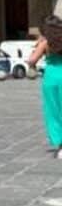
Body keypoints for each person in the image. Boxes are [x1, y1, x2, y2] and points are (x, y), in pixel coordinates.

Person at [29, 16, 62, 158]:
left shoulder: (46, 43)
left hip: (51, 79)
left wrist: (38, 46)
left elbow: (32, 61)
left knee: (54, 111)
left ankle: (61, 147)